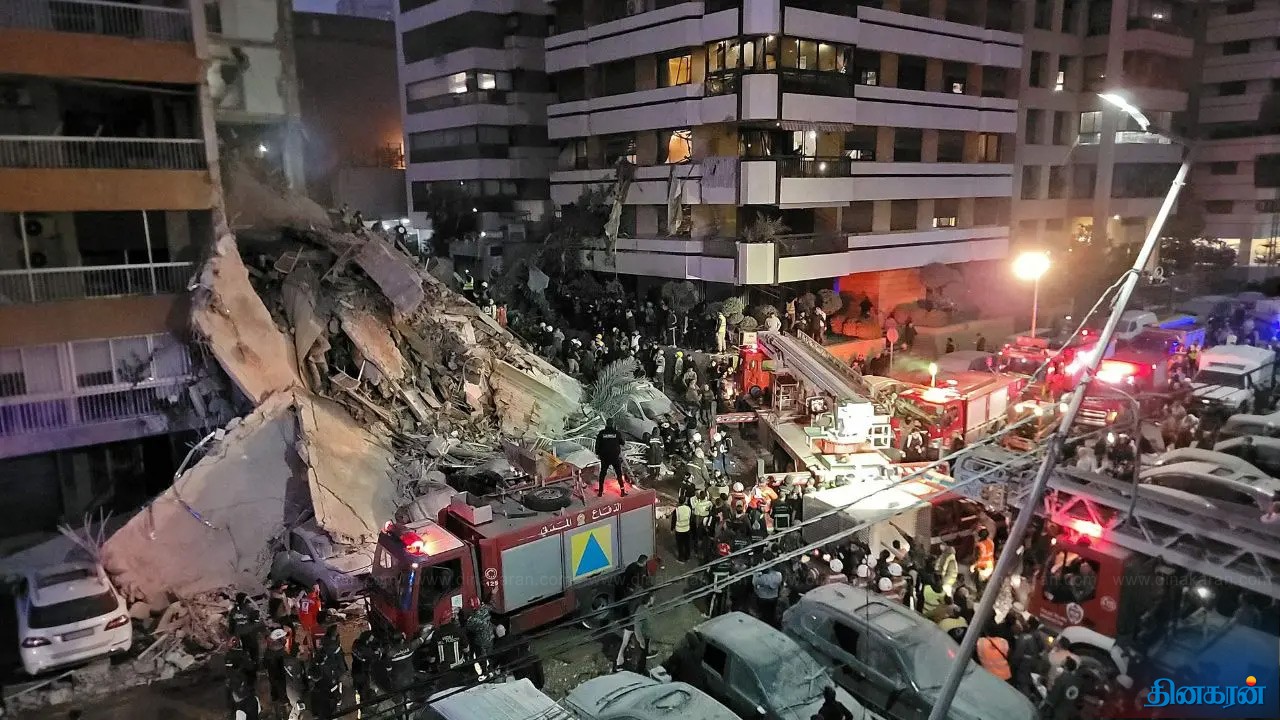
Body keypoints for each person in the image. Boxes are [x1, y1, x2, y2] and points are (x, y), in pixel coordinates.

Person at [228, 593, 263, 666]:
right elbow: (256, 618)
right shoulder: (249, 609)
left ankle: (246, 663)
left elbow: (231, 624)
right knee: (253, 649)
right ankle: (255, 663)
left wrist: (232, 634)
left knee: (244, 649)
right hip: (250, 632)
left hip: (239, 634)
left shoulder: (233, 610)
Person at [595, 419, 626, 497]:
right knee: (619, 474)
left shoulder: (601, 433)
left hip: (604, 457)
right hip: (615, 457)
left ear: (606, 424)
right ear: (613, 424)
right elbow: (622, 442)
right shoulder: (616, 433)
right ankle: (622, 491)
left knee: (602, 474)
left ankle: (600, 492)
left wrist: (598, 453)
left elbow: (597, 445)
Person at [262, 628, 290, 712]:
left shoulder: (269, 650)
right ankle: (281, 700)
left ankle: (276, 698)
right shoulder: (281, 650)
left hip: (273, 676)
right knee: (279, 682)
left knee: (274, 682)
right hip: (280, 678)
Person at [464, 597, 496, 667]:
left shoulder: (472, 620)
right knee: (491, 656)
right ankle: (492, 668)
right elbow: (492, 606)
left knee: (482, 659)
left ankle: (484, 670)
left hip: (481, 642)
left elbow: (467, 629)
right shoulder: (485, 609)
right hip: (490, 638)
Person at [752, 557, 783, 627]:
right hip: (769, 598)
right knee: (769, 615)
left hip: (765, 599)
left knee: (766, 616)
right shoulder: (777, 575)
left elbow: (755, 582)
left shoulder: (760, 576)